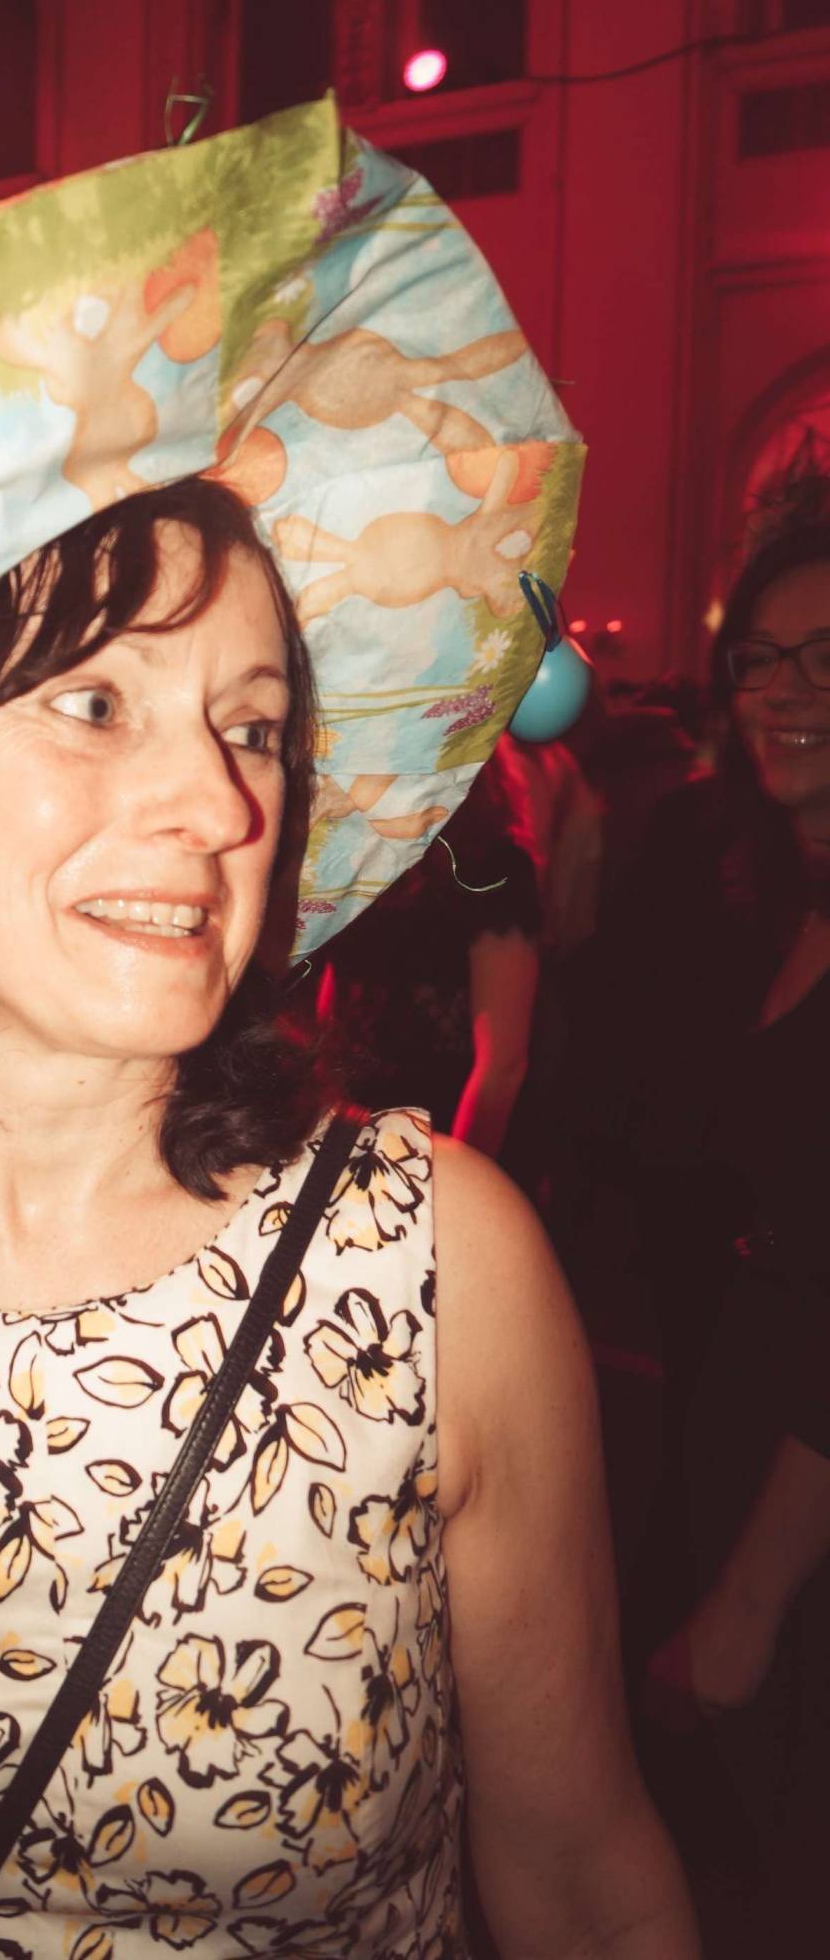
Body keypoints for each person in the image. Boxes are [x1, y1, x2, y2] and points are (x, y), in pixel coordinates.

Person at [0, 103, 695, 1957]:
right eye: (93, 705)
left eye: (252, 727)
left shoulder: (438, 1272)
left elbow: (581, 1873)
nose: (223, 805)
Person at [604, 484, 829, 1954]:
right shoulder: (759, 879)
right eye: (759, 657)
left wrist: (749, 1594)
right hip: (725, 1399)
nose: (783, 691)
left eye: (828, 657)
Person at [309, 738, 542, 1160]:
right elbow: (338, 994)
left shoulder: (490, 869)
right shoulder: (364, 854)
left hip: (437, 1128)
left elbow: (502, 1065)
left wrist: (451, 1176)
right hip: (352, 1123)